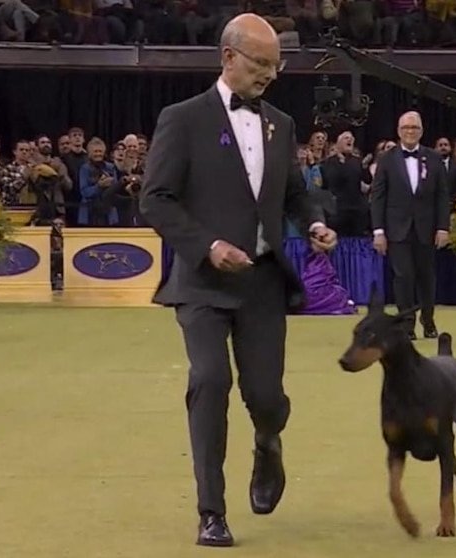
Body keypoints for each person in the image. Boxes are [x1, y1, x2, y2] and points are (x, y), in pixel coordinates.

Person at [138, 13, 338, 548]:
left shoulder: (281, 123)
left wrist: (314, 220)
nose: (269, 74)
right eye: (260, 63)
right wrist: (207, 246)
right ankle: (212, 511)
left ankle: (268, 441)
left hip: (263, 285)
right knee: (210, 382)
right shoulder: (181, 119)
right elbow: (155, 198)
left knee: (266, 397)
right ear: (228, 56)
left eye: (275, 65)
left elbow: (294, 191)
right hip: (202, 284)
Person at [370, 111, 450, 339]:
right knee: (403, 277)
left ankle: (428, 320)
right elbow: (378, 197)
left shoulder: (434, 158)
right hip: (397, 230)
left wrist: (443, 227)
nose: (410, 132)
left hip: (427, 229)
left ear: (421, 131)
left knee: (426, 277)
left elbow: (443, 196)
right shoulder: (387, 159)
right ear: (398, 131)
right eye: (406, 128)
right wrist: (378, 231)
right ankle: (406, 325)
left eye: (414, 128)